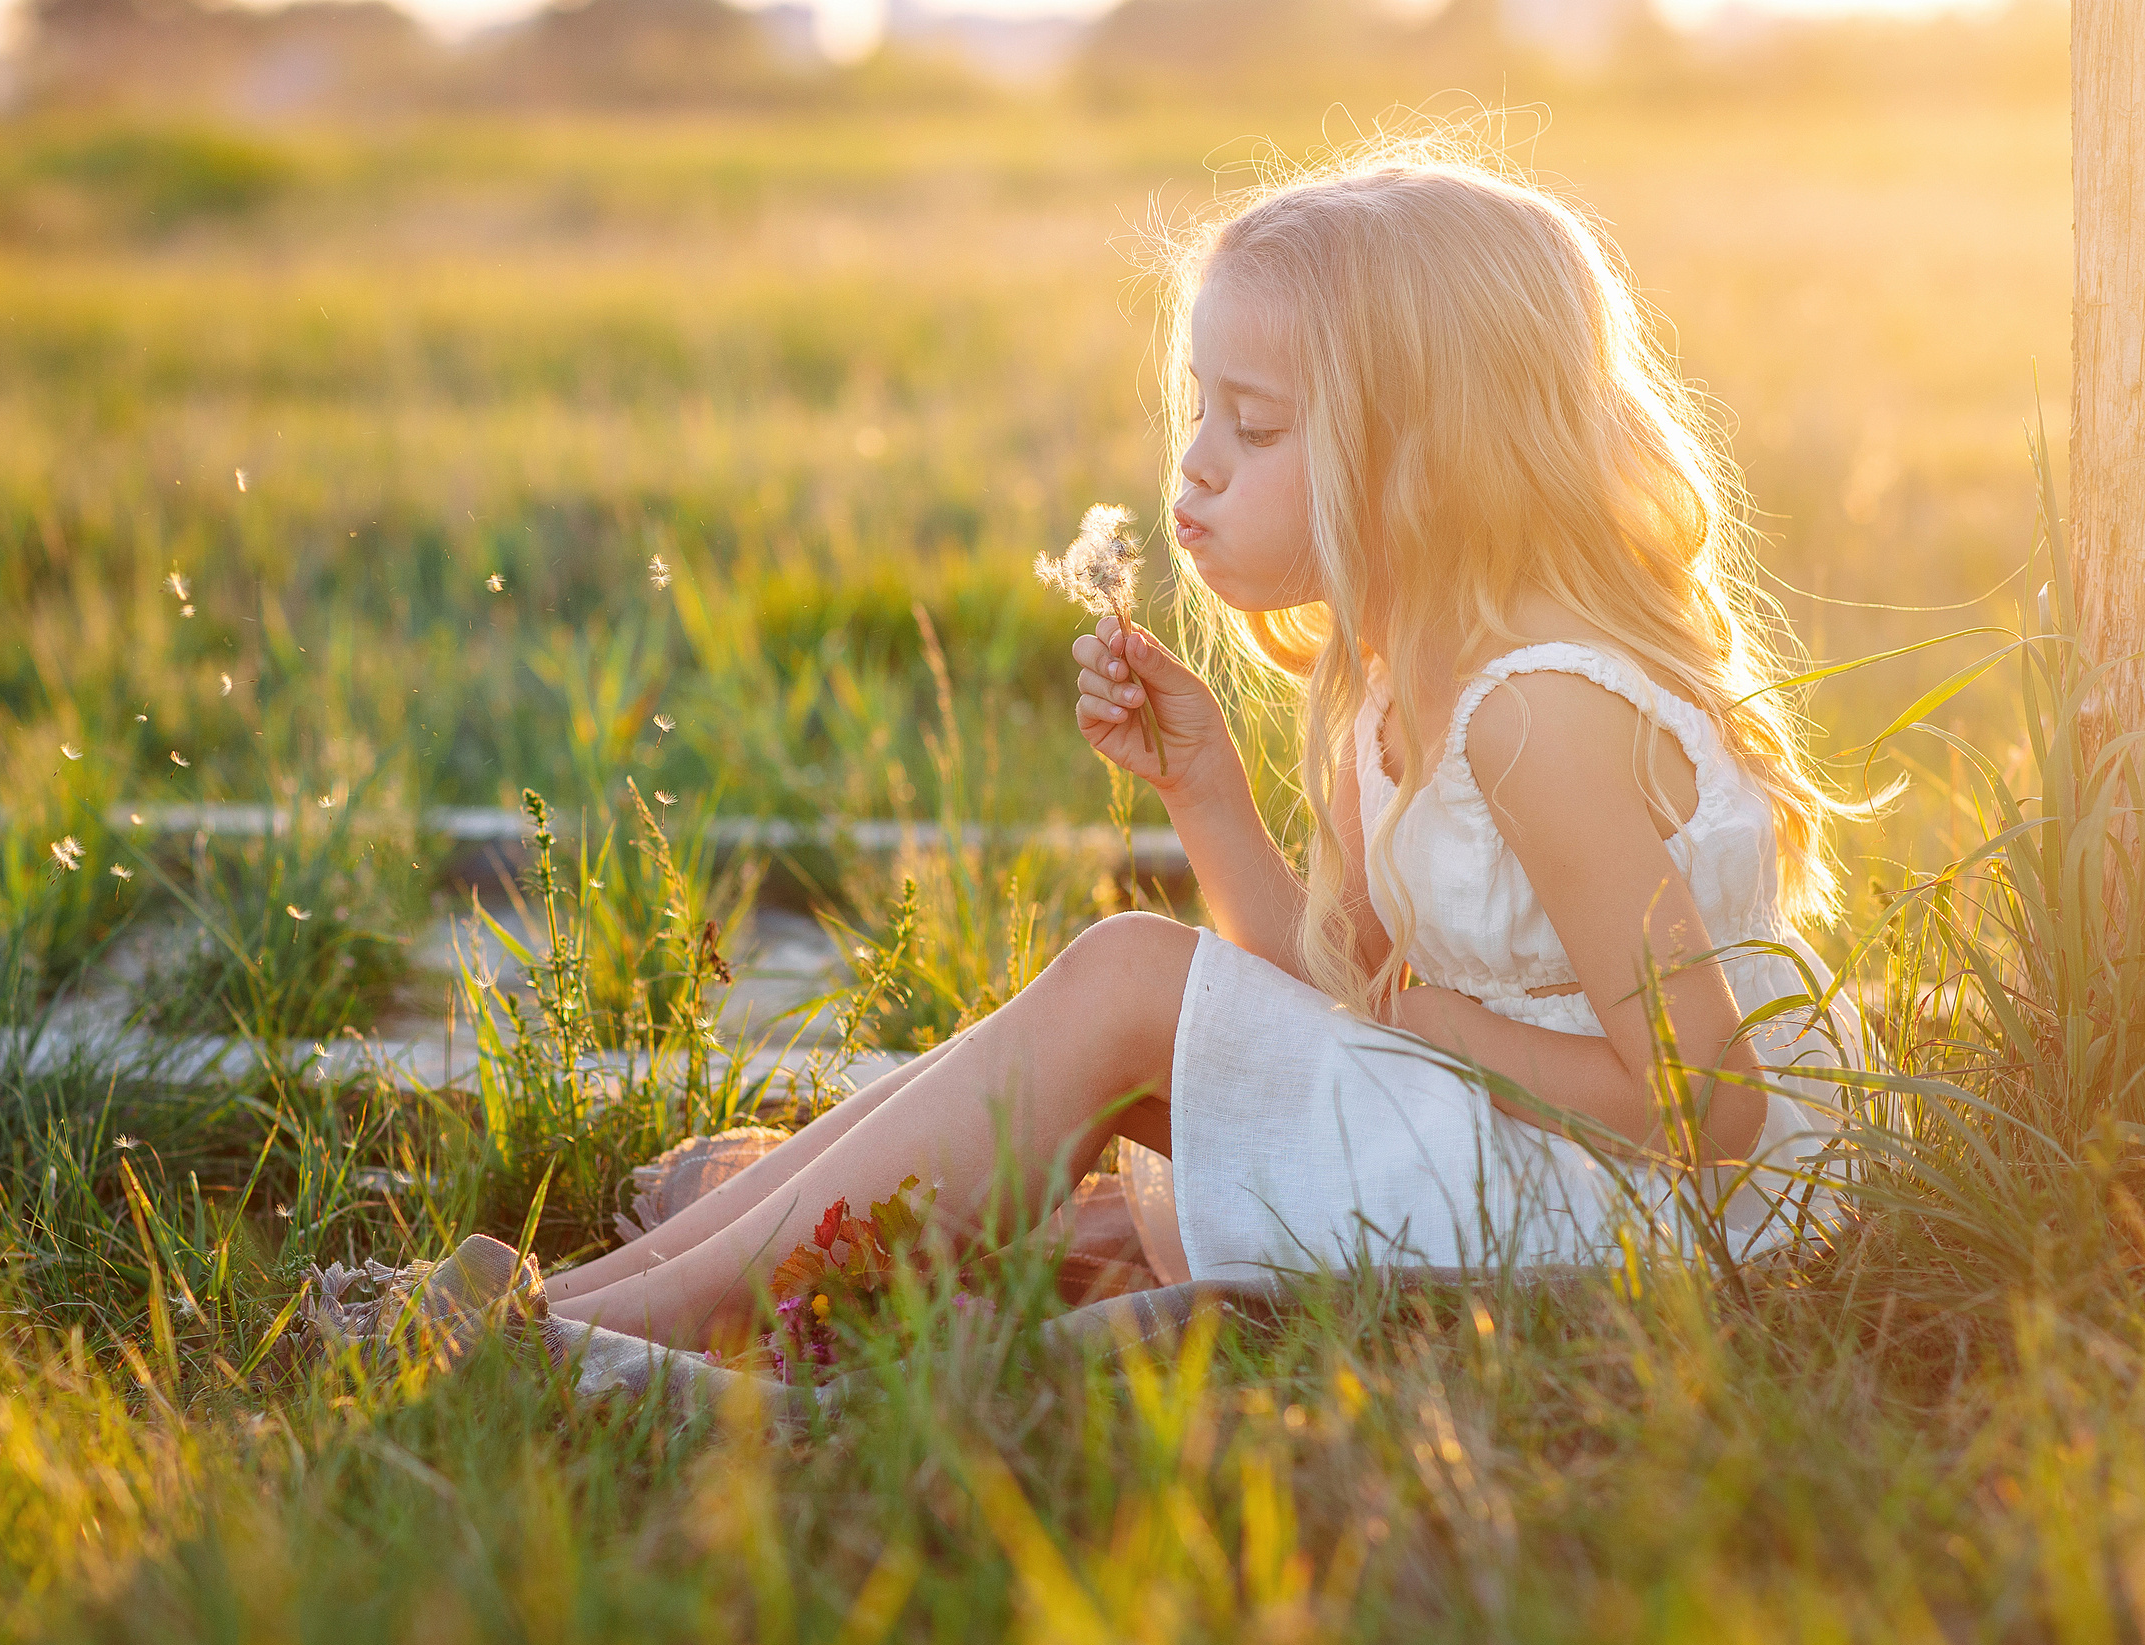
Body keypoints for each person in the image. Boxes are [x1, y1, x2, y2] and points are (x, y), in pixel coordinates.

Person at [540, 143, 1869, 1349]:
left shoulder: (1538, 716)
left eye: (1258, 426)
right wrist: (1206, 794)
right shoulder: (1395, 668)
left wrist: (1424, 1019)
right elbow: (1329, 982)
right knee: (1111, 1018)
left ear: (1427, 460)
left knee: (1128, 982)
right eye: (1200, 411)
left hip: (1650, 1212)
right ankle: (625, 1286)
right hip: (1516, 1145)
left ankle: (602, 1326)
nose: (1196, 468)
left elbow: (1707, 1109)